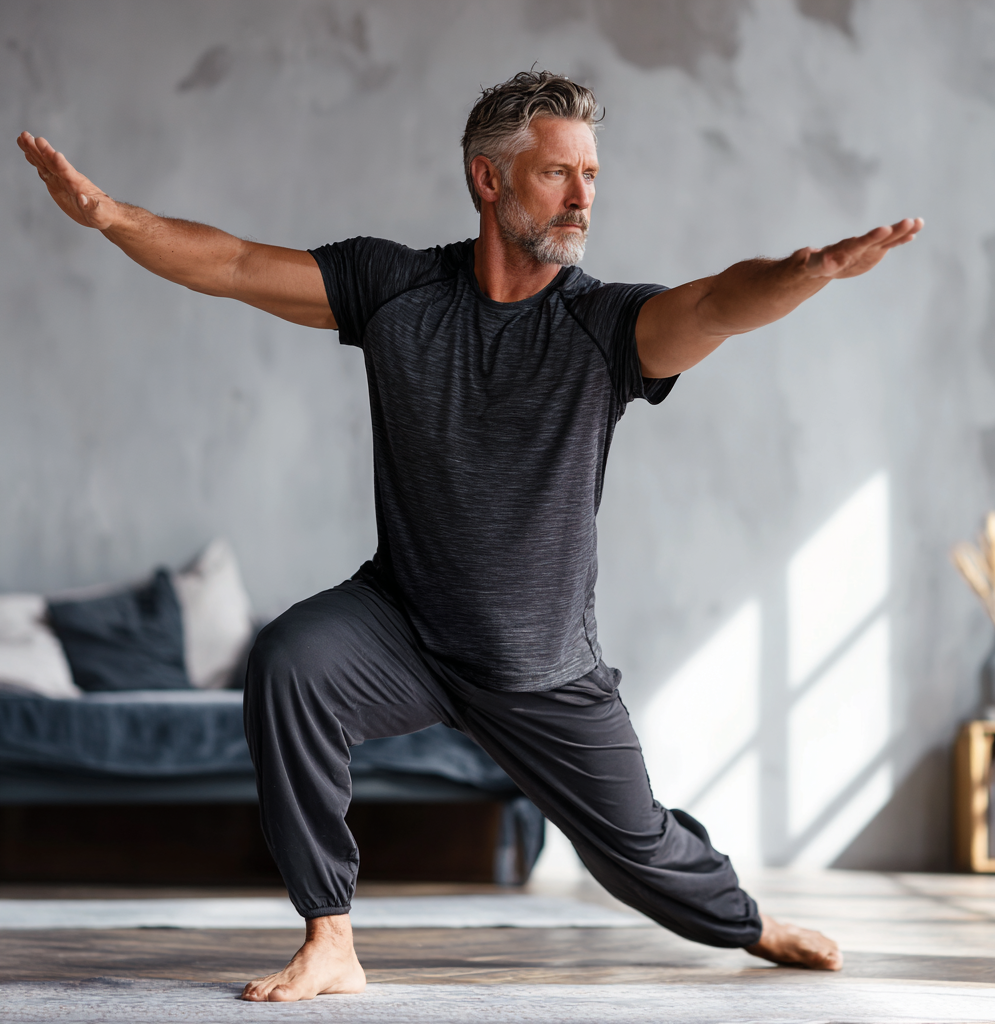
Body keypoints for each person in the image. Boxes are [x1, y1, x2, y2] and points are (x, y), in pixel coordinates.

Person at [18, 70, 922, 1004]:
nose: (584, 198)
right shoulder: (397, 290)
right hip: (402, 630)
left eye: (593, 176)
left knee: (640, 856)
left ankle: (748, 918)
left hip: (541, 670)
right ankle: (330, 937)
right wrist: (110, 216)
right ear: (488, 180)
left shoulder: (601, 325)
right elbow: (240, 265)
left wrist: (804, 274)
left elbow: (713, 306)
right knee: (291, 658)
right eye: (558, 173)